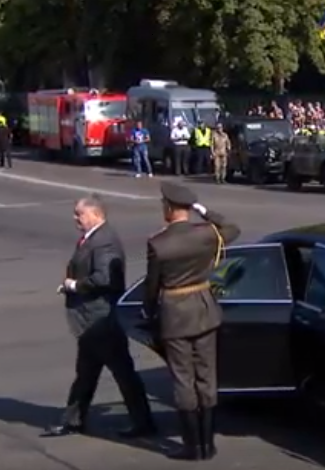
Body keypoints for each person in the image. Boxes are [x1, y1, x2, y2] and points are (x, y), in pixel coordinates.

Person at [45, 195, 156, 438]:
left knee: (122, 373)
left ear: (95, 214)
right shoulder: (94, 238)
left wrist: (74, 285)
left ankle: (143, 423)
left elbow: (105, 278)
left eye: (79, 214)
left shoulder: (104, 241)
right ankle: (73, 421)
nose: (75, 218)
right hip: (92, 322)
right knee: (86, 374)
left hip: (102, 320)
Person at [144, 182, 241, 460]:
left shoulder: (159, 244)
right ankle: (208, 445)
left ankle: (192, 446)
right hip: (204, 309)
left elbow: (152, 286)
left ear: (169, 207)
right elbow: (232, 228)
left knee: (183, 379)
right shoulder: (207, 234)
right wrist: (204, 211)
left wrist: (148, 312)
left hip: (175, 314)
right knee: (206, 376)